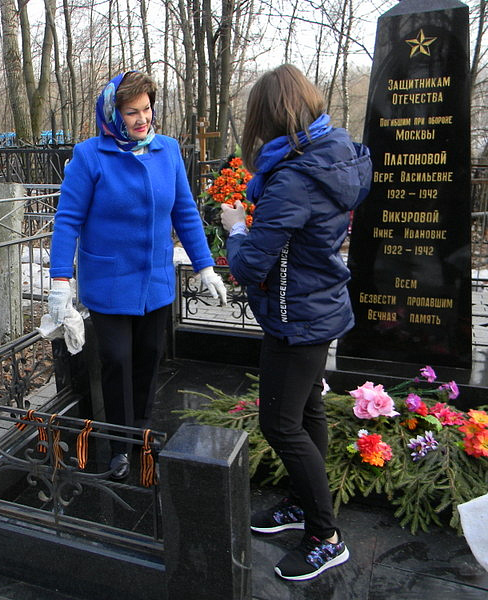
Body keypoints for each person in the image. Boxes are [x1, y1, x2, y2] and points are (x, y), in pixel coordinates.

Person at [220, 64, 371, 581]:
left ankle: (325, 537)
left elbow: (247, 267)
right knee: (307, 412)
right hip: (317, 304)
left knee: (280, 424)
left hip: (297, 316)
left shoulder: (293, 177)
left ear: (271, 115)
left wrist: (236, 228)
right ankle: (300, 506)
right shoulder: (337, 154)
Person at [47, 71, 227, 480]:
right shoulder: (90, 156)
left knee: (148, 360)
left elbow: (184, 211)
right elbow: (68, 221)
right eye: (132, 112)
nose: (142, 119)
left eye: (146, 109)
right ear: (114, 113)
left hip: (155, 281)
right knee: (116, 360)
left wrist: (205, 265)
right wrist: (60, 280)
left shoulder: (168, 150)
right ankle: (119, 446)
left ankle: (141, 432)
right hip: (110, 281)